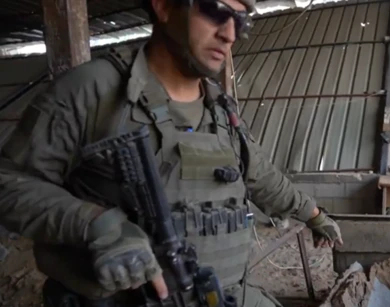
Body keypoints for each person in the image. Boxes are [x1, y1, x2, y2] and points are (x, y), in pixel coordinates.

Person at [0, 0, 343, 306]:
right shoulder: (92, 91)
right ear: (163, 7)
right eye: (215, 11)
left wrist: (313, 214)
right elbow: (10, 183)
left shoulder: (221, 109)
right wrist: (97, 224)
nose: (229, 34)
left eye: (241, 21)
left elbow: (261, 176)